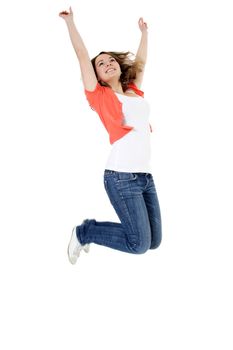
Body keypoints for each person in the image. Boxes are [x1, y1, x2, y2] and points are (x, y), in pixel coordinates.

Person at [59, 7, 162, 264]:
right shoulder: (100, 95)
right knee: (138, 244)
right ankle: (85, 232)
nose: (107, 64)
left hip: (144, 176)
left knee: (154, 241)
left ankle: (89, 232)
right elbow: (82, 56)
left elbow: (141, 63)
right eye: (101, 64)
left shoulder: (133, 91)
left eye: (110, 60)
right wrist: (70, 22)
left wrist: (144, 33)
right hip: (121, 177)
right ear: (96, 75)